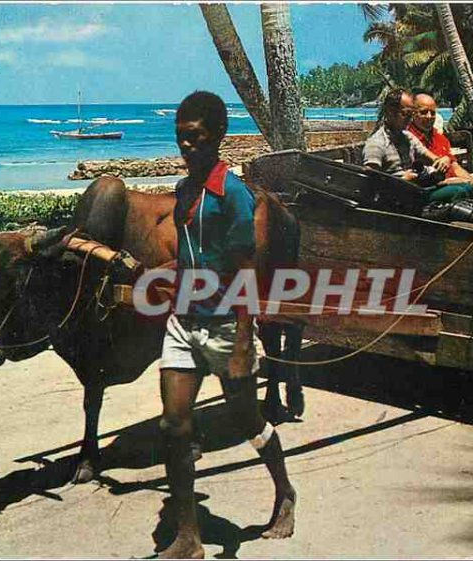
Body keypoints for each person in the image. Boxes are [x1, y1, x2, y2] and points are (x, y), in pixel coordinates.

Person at [158, 91, 296, 559]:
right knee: (174, 425)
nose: (186, 147)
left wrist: (242, 341)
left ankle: (285, 492)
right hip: (183, 321)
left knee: (247, 420)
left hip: (224, 325)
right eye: (180, 139)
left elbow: (245, 270)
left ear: (217, 137)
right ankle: (187, 535)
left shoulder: (232, 194)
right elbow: (186, 255)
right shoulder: (183, 192)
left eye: (194, 138)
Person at [407, 91, 473, 195]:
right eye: (423, 112)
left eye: (433, 113)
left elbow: (455, 167)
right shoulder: (408, 139)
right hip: (435, 186)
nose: (429, 116)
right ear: (413, 113)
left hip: (456, 179)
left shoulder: (440, 138)